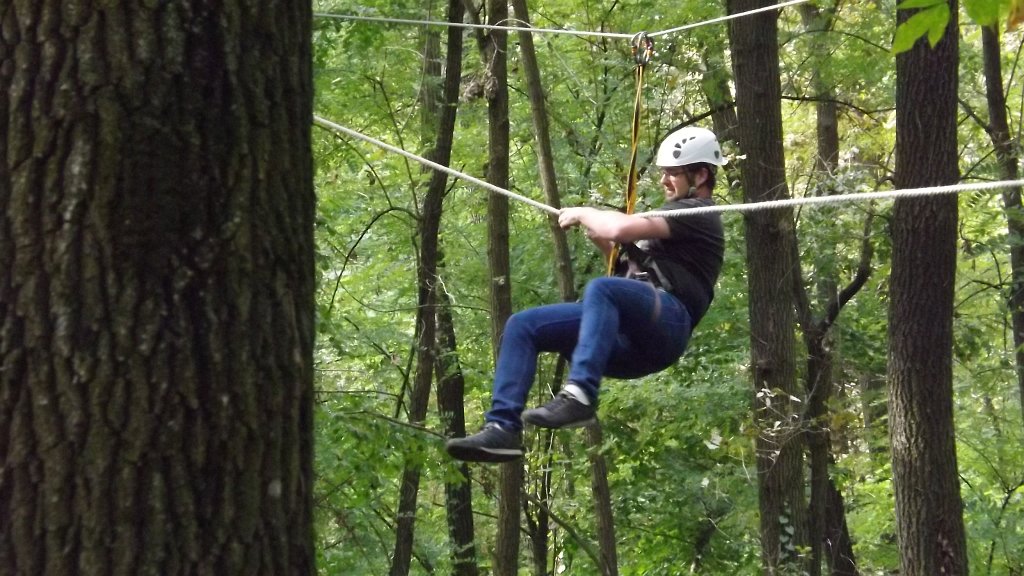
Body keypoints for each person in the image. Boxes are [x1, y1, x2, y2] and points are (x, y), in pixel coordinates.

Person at [445, 126, 727, 463]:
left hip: (668, 324)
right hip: (629, 336)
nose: (665, 180)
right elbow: (627, 266)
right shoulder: (675, 221)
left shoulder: (698, 213)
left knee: (602, 289)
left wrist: (583, 212)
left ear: (700, 175)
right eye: (663, 172)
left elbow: (620, 229)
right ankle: (502, 428)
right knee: (523, 325)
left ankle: (580, 395)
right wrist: (604, 242)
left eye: (673, 173)